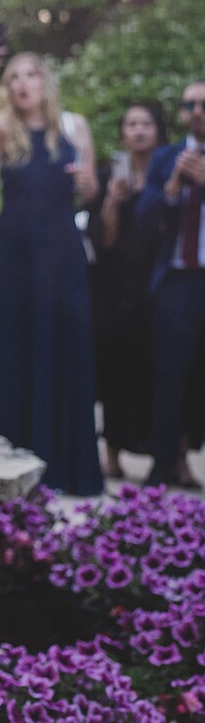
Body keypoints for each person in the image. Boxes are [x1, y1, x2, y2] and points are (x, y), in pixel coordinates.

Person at [0, 41, 102, 495]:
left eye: (29, 75)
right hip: (13, 255)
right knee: (13, 349)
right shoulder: (5, 130)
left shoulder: (74, 126)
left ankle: (65, 466)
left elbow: (90, 194)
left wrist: (89, 185)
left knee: (62, 348)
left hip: (62, 254)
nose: (22, 84)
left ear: (45, 82)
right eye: (14, 78)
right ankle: (11, 466)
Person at [139, 81, 205, 488]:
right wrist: (171, 190)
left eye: (204, 104)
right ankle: (163, 465)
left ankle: (187, 455)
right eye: (189, 105)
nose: (197, 111)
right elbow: (143, 218)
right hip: (177, 281)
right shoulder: (166, 158)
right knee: (169, 375)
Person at [95, 101, 166, 479]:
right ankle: (112, 455)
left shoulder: (171, 173)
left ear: (158, 130)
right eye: (131, 124)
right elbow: (105, 241)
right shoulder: (112, 175)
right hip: (118, 293)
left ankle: (172, 457)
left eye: (146, 124)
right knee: (115, 374)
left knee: (162, 375)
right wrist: (111, 200)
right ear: (123, 132)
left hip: (158, 288)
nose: (138, 131)